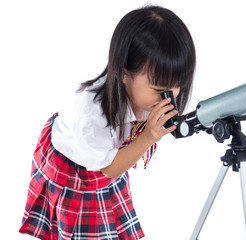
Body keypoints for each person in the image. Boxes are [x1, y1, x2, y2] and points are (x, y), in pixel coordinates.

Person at [19, 5, 196, 240]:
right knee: (85, 230)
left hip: (106, 156)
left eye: (177, 85)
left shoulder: (140, 95)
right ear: (124, 73)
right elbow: (110, 169)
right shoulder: (90, 113)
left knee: (111, 217)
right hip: (74, 170)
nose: (169, 96)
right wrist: (149, 136)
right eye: (159, 89)